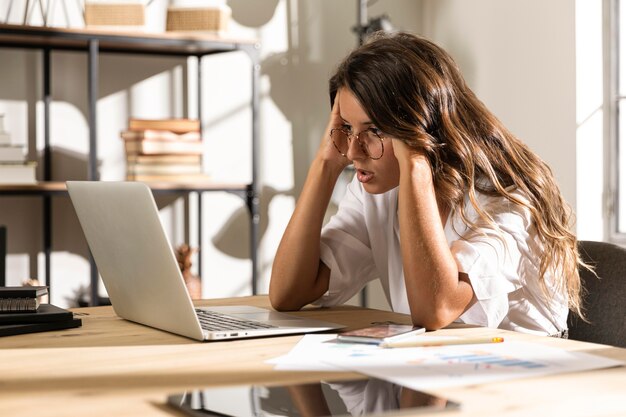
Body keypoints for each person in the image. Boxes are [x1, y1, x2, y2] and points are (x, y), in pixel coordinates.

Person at [269, 31, 585, 337]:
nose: (353, 151)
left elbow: (437, 309)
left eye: (375, 129)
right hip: (438, 370)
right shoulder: (378, 193)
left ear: (422, 129)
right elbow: (288, 294)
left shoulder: (507, 200)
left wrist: (415, 162)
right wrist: (325, 165)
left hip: (522, 379)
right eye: (347, 128)